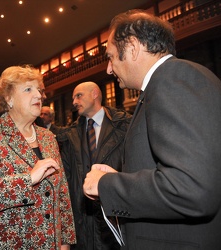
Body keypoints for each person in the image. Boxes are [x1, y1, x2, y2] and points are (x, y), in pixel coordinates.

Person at [83, 10, 221, 249]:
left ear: (133, 47)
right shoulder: (167, 83)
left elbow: (192, 187)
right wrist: (119, 177)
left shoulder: (173, 79)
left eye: (111, 57)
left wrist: (106, 185)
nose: (108, 69)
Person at [0, 65, 76, 249]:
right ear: (9, 98)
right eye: (28, 89)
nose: (38, 95)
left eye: (39, 90)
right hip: (2, 242)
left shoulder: (48, 138)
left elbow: (61, 192)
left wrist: (65, 240)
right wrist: (28, 179)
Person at [56, 81, 131, 250]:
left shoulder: (125, 125)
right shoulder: (70, 134)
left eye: (79, 95)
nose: (74, 102)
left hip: (115, 219)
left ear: (95, 94)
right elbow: (66, 181)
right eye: (73, 97)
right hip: (82, 223)